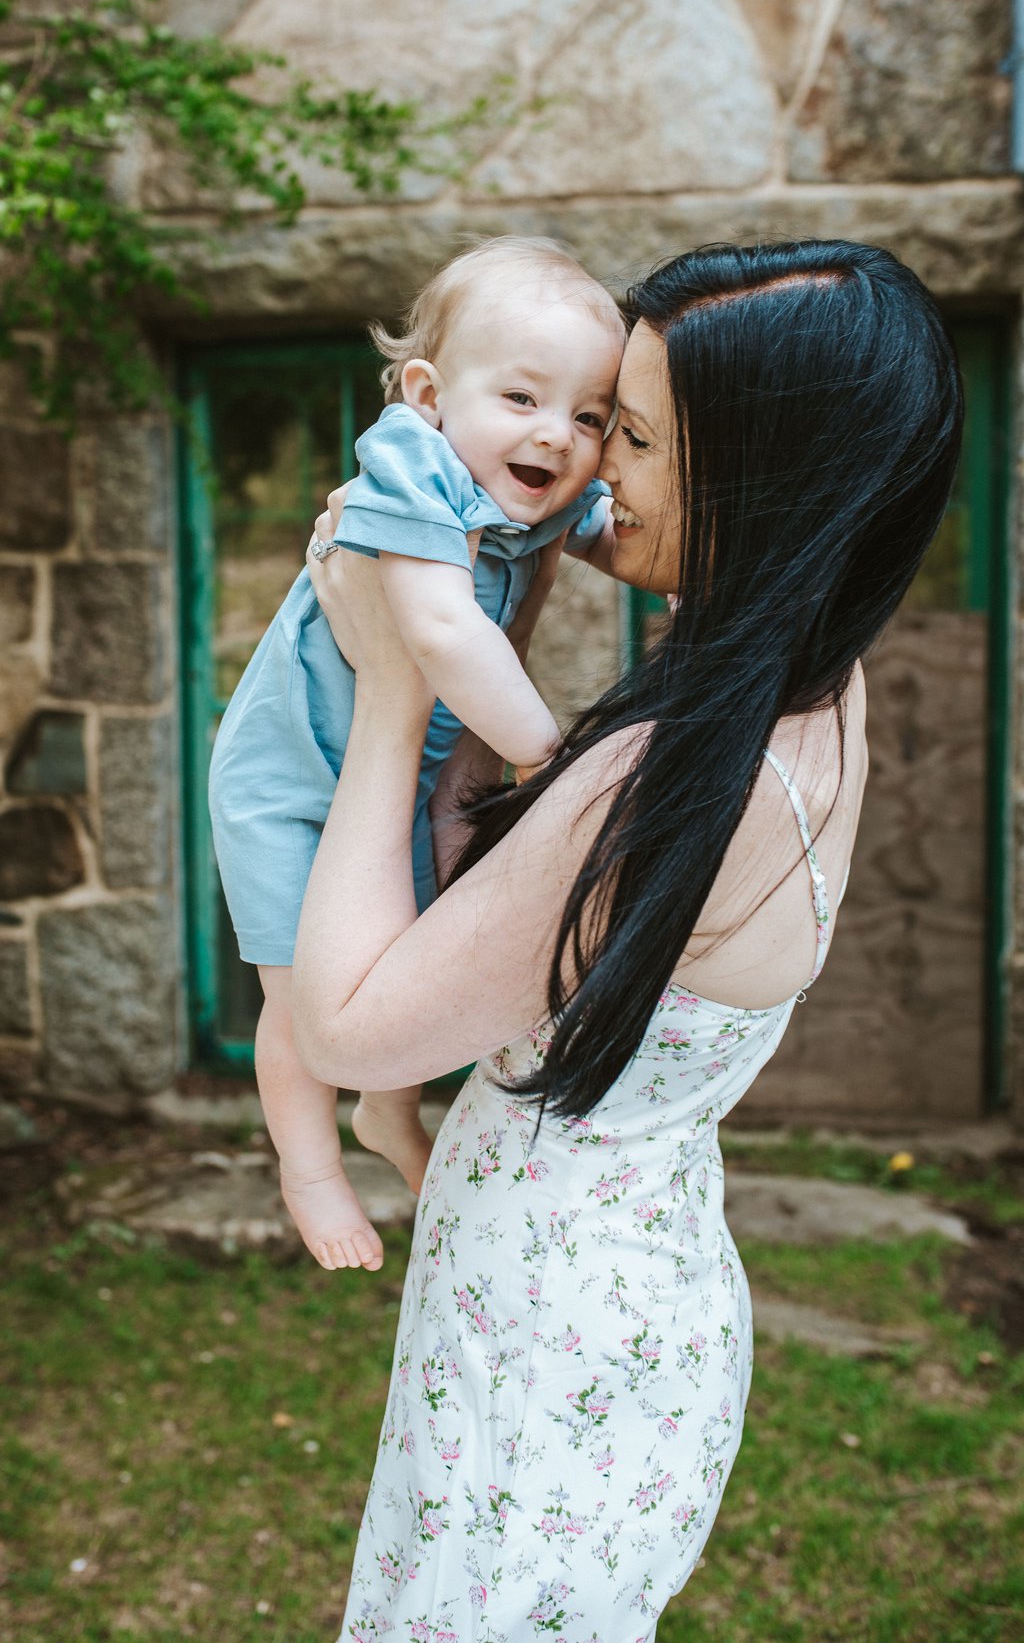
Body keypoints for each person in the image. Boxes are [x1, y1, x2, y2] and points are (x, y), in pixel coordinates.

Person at [291, 239, 963, 1641]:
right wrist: (492, 559)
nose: (595, 467)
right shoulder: (806, 692)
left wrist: (394, 676)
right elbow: (526, 869)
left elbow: (348, 1025)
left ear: (761, 486)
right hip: (636, 1300)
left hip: (540, 1351)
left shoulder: (656, 783)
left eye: (635, 435)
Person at [208, 237, 625, 1275]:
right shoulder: (410, 464)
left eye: (589, 416)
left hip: (392, 785)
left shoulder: (536, 489)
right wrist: (545, 758)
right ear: (428, 392)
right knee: (301, 992)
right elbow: (437, 633)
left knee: (386, 970)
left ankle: (384, 1115)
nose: (556, 436)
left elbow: (619, 534)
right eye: (523, 397)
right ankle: (307, 1174)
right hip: (288, 783)